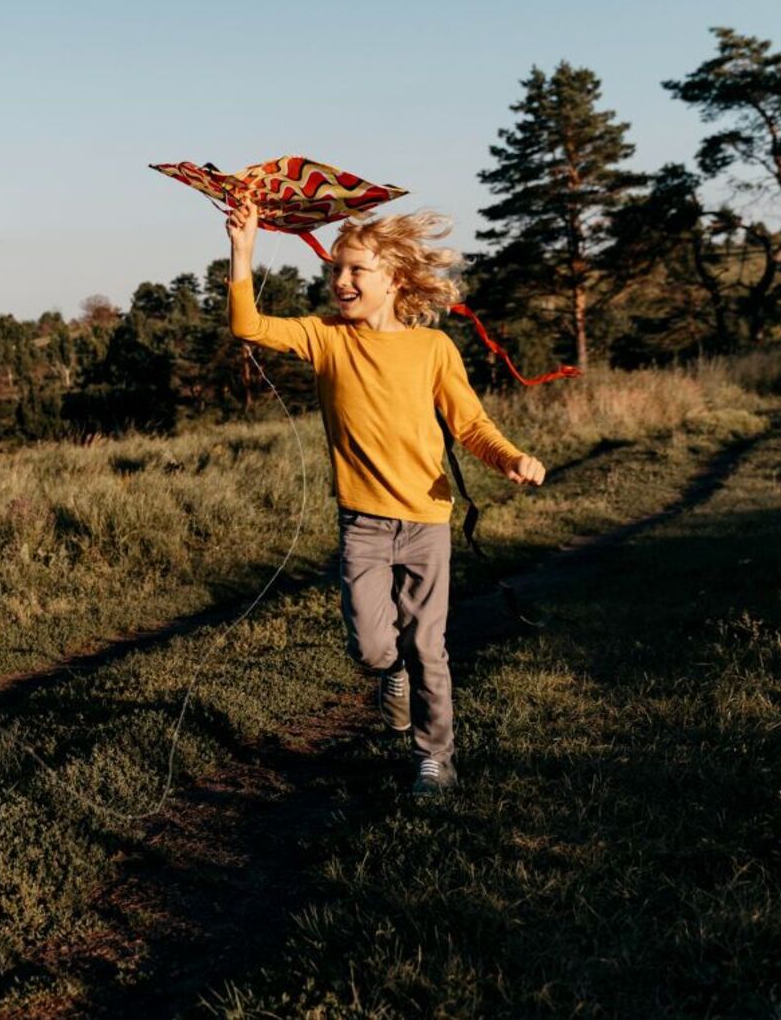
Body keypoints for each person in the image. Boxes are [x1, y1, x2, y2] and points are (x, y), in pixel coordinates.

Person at [224, 200, 546, 795]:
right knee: (373, 647)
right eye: (336, 270)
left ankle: (435, 757)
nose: (340, 281)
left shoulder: (433, 350)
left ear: (394, 279)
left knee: (430, 645)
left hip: (426, 519)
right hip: (363, 523)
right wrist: (243, 249)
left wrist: (511, 459)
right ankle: (388, 673)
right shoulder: (326, 339)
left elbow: (470, 425)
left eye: (355, 271)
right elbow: (249, 326)